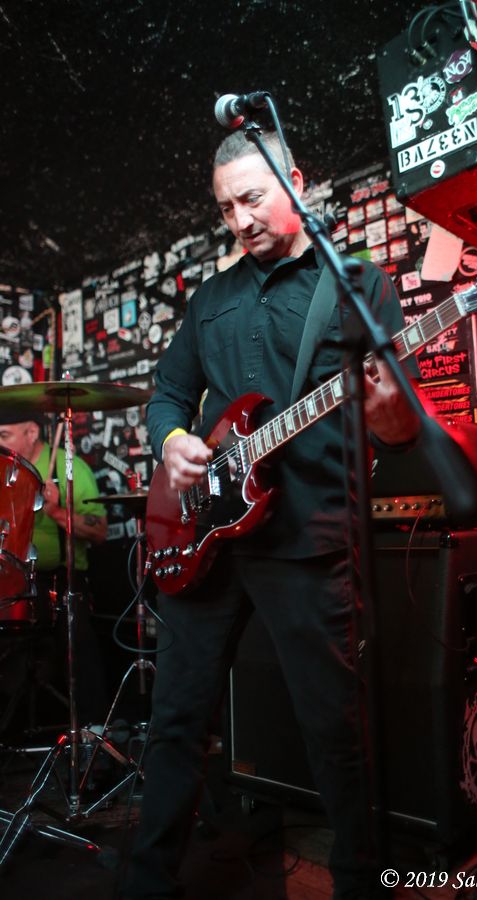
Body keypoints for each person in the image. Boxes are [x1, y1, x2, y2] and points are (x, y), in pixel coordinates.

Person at [123, 129, 426, 900]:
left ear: (294, 181)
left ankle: (361, 883)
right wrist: (175, 441)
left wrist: (392, 415)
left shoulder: (356, 285)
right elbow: (167, 396)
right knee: (176, 721)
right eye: (227, 208)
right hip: (206, 538)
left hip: (307, 540)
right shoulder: (210, 300)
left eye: (253, 198)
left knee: (335, 730)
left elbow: (399, 431)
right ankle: (147, 882)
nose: (241, 220)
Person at [0, 410, 109, 726]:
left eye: (5, 436)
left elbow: (99, 531)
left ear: (32, 432)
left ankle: (91, 731)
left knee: (80, 644)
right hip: (11, 582)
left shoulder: (68, 466)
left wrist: (57, 510)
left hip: (60, 582)